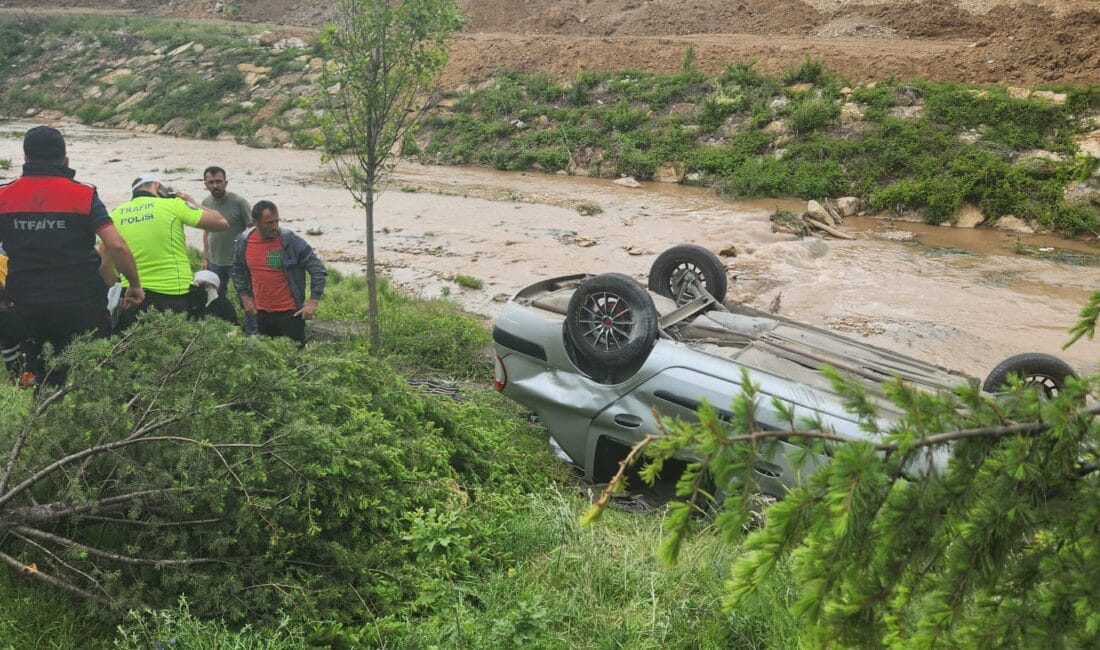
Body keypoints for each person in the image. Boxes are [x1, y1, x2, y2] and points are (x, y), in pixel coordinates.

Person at [0, 125, 144, 382]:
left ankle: (39, 402)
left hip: (24, 304)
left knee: (34, 371)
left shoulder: (4, 195)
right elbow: (116, 246)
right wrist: (134, 284)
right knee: (84, 372)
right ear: (65, 160)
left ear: (26, 158)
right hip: (80, 304)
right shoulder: (84, 194)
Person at [110, 172, 227, 330]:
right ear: (157, 186)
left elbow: (105, 258)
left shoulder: (115, 214)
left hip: (131, 295)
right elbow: (221, 222)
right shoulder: (173, 205)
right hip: (173, 293)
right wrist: (191, 203)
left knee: (135, 342)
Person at [232, 200, 326, 347]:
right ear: (255, 222)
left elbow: (318, 269)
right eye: (269, 223)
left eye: (277, 221)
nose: (275, 226)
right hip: (261, 313)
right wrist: (245, 297)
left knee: (295, 358)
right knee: (270, 357)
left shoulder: (290, 240)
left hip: (290, 314)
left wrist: (313, 303)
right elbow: (237, 269)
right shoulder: (244, 241)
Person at [201, 165, 255, 333]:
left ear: (226, 182)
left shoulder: (239, 203)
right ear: (205, 184)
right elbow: (206, 231)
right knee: (214, 298)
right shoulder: (206, 203)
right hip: (214, 262)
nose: (215, 186)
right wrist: (205, 257)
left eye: (219, 181)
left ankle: (252, 333)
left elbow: (252, 231)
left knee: (246, 297)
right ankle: (221, 331)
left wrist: (251, 258)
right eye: (211, 182)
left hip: (237, 263)